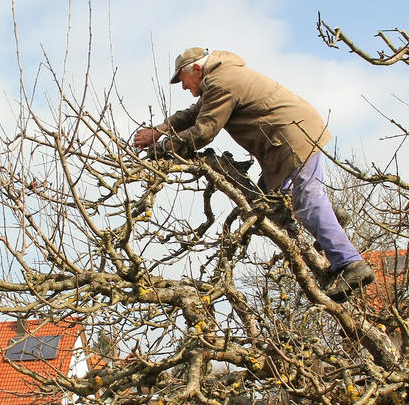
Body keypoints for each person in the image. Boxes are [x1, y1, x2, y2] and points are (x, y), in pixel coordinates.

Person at [133, 47, 374, 302]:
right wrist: (159, 130)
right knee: (267, 200)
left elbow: (203, 131)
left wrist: (163, 147)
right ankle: (332, 218)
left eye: (182, 79)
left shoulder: (221, 83)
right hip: (285, 139)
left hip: (291, 138)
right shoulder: (219, 79)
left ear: (196, 69)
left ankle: (351, 263)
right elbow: (192, 115)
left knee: (307, 202)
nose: (182, 87)